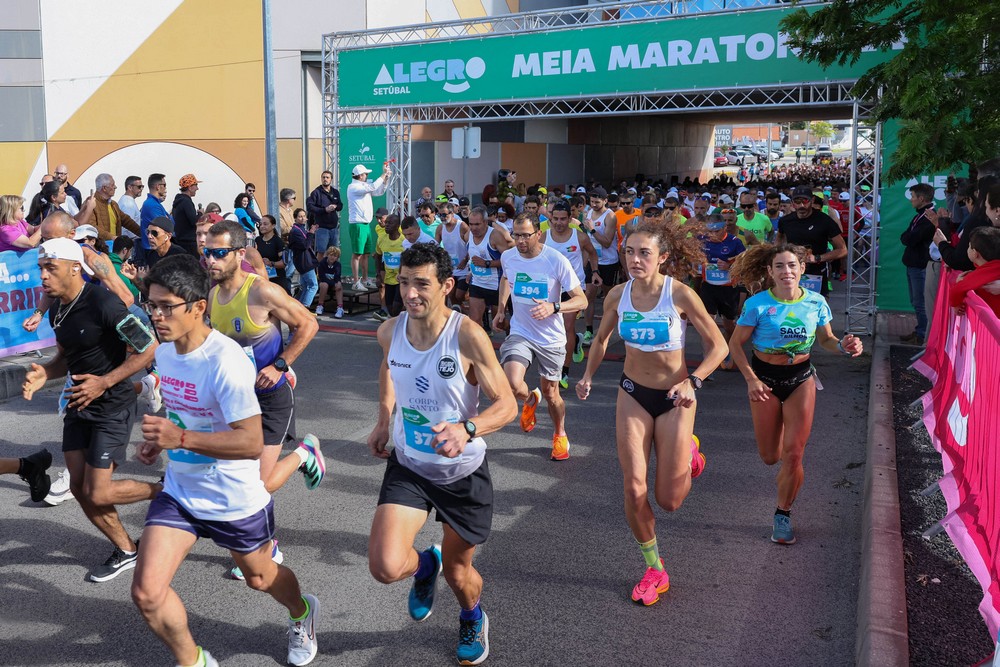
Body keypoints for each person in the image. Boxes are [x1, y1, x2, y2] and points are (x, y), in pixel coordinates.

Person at [131, 254, 319, 667]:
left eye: (167, 307)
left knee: (260, 578)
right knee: (146, 592)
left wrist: (179, 436)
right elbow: (183, 411)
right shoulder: (165, 353)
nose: (157, 316)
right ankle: (195, 661)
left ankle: (302, 612)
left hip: (233, 496)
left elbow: (251, 442)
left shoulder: (225, 361)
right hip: (181, 490)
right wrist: (161, 440)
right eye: (152, 306)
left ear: (198, 307)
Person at [366, 242, 517, 666]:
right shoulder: (389, 330)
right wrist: (383, 419)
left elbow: (505, 404)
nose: (410, 293)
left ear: (447, 286)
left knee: (459, 574)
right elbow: (389, 366)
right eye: (404, 282)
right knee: (385, 566)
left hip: (462, 473)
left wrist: (467, 429)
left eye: (422, 284)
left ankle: (472, 616)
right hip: (410, 467)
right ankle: (422, 568)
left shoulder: (467, 335)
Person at [576, 222, 726, 605]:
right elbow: (601, 339)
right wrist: (588, 375)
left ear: (662, 258)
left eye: (644, 253)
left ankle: (691, 450)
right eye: (629, 252)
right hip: (633, 393)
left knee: (669, 500)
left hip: (676, 398)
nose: (635, 259)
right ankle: (654, 567)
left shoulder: (680, 294)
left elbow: (719, 347)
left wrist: (693, 381)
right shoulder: (617, 295)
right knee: (633, 487)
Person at [22, 238, 161, 581]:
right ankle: (128, 550)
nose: (43, 276)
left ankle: (170, 489)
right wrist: (46, 374)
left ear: (74, 268)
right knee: (82, 490)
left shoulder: (104, 303)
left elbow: (148, 347)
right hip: (77, 406)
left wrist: (105, 381)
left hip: (112, 406)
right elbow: (65, 358)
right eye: (41, 268)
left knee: (98, 490)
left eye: (50, 268)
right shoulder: (56, 309)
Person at [205, 220, 324, 571]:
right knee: (239, 482)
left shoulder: (261, 292)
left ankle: (305, 454)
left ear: (239, 254)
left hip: (271, 396)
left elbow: (309, 324)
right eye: (207, 253)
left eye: (219, 253)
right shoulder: (213, 296)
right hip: (236, 400)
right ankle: (265, 544)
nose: (211, 260)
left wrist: (282, 365)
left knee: (260, 484)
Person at [728, 244, 863, 545]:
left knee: (794, 454)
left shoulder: (816, 302)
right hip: (764, 381)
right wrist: (750, 380)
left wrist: (843, 346)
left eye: (792, 266)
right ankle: (783, 474)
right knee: (769, 456)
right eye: (780, 266)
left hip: (800, 379)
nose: (786, 272)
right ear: (769, 271)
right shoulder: (757, 304)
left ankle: (783, 513)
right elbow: (735, 345)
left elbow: (827, 340)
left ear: (802, 269)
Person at [493, 213, 588, 460]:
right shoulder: (508, 256)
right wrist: (502, 309)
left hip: (551, 338)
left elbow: (582, 300)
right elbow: (506, 279)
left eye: (526, 235)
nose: (521, 240)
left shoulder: (555, 260)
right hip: (521, 331)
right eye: (516, 235)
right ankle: (528, 399)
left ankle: (559, 434)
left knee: (552, 394)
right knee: (512, 383)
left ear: (538, 233)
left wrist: (553, 307)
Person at [540, 200, 601, 389]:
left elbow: (592, 254)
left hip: (573, 289)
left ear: (570, 218)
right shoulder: (543, 237)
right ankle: (576, 342)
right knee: (553, 330)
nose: (558, 223)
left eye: (563, 219)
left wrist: (595, 272)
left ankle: (563, 373)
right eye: (555, 219)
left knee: (567, 328)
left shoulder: (580, 237)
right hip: (550, 289)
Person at [776, 186, 846, 297]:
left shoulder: (824, 221)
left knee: (816, 307)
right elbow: (779, 239)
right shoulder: (786, 221)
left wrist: (818, 258)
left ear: (812, 200)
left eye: (805, 201)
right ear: (793, 202)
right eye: (797, 202)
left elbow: (842, 250)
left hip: (816, 273)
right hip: (791, 272)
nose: (801, 206)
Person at [698, 215, 746, 368]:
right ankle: (708, 360)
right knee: (708, 323)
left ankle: (731, 351)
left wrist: (729, 266)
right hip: (708, 287)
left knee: (729, 325)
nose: (712, 235)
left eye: (716, 231)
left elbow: (745, 265)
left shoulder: (735, 242)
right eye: (709, 231)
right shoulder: (701, 240)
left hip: (728, 289)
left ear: (724, 228)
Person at [465, 206, 514, 335]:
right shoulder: (467, 235)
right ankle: (479, 351)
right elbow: (472, 254)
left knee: (500, 323)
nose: (473, 228)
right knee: (474, 321)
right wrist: (471, 271)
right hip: (477, 283)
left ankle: (511, 332)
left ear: (485, 223)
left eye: (477, 224)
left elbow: (509, 260)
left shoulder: (495, 236)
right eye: (471, 224)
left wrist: (487, 263)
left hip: (496, 285)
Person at [899, 183, 936, 345]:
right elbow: (905, 236)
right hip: (913, 264)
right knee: (916, 301)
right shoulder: (920, 216)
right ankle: (920, 329)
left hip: (920, 265)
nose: (911, 200)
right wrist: (908, 237)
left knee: (920, 302)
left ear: (921, 199)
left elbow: (910, 238)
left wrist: (908, 237)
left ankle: (923, 334)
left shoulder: (929, 217)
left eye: (913, 197)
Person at [346, 163, 391, 290]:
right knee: (357, 254)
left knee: (365, 254)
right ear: (360, 175)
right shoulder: (353, 187)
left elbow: (379, 191)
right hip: (357, 224)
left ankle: (365, 280)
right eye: (365, 174)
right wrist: (383, 174)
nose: (367, 175)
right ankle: (356, 282)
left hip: (365, 224)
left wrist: (386, 178)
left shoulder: (364, 186)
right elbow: (373, 186)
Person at [950, 226, 1000, 317]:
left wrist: (955, 305)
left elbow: (956, 291)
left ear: (975, 253)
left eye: (969, 246)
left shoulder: (979, 275)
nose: (967, 248)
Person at [84, 174, 141, 242]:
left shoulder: (113, 204)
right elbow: (91, 227)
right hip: (99, 248)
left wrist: (142, 233)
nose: (115, 187)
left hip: (114, 247)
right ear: (104, 188)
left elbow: (126, 221)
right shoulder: (91, 203)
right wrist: (112, 238)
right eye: (112, 185)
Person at [436, 201, 470, 310]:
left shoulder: (462, 226)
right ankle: (462, 317)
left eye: (444, 215)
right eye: (440, 215)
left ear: (452, 213)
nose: (442, 217)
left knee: (460, 295)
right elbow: (436, 248)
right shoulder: (440, 228)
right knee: (452, 297)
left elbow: (473, 246)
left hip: (464, 268)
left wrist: (465, 260)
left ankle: (476, 306)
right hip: (450, 268)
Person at [287, 208, 319, 310]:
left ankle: (297, 308)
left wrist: (310, 232)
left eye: (304, 216)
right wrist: (311, 232)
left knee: (305, 286)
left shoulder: (301, 229)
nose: (302, 218)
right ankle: (305, 307)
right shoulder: (296, 231)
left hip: (304, 261)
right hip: (304, 262)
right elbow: (305, 245)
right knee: (313, 285)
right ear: (295, 218)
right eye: (300, 216)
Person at [375, 214, 405, 321]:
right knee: (391, 308)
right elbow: (378, 257)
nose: (386, 225)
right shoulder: (381, 239)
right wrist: (378, 275)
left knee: (397, 307)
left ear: (397, 225)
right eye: (386, 223)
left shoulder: (404, 241)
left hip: (401, 279)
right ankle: (399, 324)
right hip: (388, 279)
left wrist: (403, 274)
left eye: (390, 223)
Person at [138, 173, 172, 267]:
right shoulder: (152, 205)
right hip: (153, 251)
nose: (165, 188)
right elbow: (167, 227)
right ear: (158, 186)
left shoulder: (155, 204)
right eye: (164, 185)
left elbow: (169, 221)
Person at [306, 171, 343, 253]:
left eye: (327, 177)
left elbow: (340, 205)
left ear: (331, 179)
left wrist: (335, 207)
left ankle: (332, 266)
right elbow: (310, 207)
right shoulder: (316, 192)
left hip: (334, 228)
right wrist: (325, 210)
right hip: (322, 228)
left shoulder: (335, 192)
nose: (325, 179)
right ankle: (319, 266)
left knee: (334, 253)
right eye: (323, 177)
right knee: (321, 252)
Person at [255, 214, 290, 294]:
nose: (262, 226)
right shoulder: (257, 240)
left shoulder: (278, 241)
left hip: (277, 280)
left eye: (265, 224)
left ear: (273, 225)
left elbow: (284, 263)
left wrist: (271, 263)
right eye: (261, 224)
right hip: (263, 279)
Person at [171, 174, 201, 255]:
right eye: (196, 185)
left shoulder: (178, 202)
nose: (197, 188)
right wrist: (200, 214)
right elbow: (194, 221)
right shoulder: (186, 202)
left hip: (181, 242)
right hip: (189, 244)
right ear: (190, 187)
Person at [316, 246, 344, 318]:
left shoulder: (338, 265)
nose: (332, 257)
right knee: (324, 285)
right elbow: (322, 277)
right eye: (331, 255)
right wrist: (334, 283)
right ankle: (320, 305)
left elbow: (337, 276)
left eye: (335, 256)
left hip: (333, 284)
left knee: (339, 286)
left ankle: (340, 308)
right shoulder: (322, 263)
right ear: (327, 255)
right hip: (323, 283)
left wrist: (337, 283)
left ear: (337, 257)